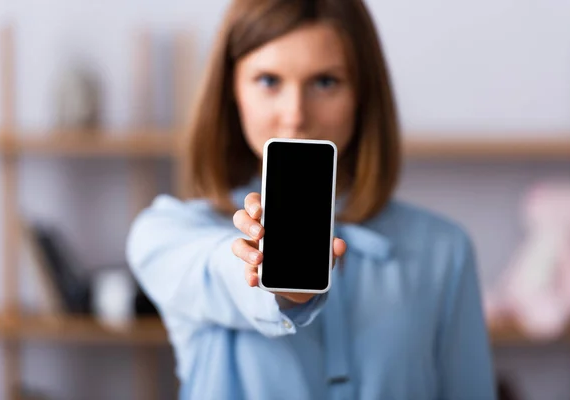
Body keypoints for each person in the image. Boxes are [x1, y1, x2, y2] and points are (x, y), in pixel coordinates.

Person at [126, 0, 497, 399]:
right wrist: (267, 274)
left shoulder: (444, 250)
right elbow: (216, 273)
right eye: (268, 81)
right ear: (232, 92)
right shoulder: (167, 234)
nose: (295, 114)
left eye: (325, 82)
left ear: (362, 94)